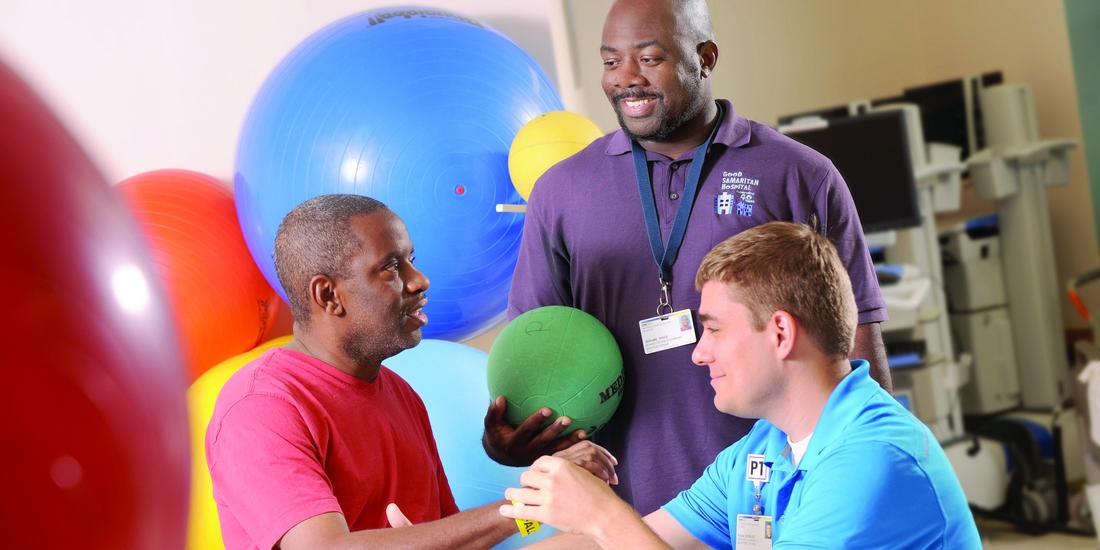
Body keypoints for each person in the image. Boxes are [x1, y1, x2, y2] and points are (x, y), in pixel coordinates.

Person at [484, 0, 890, 514]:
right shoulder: (561, 191)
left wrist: (869, 474)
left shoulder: (799, 175)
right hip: (625, 504)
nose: (627, 80)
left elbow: (856, 341)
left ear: (706, 57)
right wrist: (509, 441)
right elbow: (534, 353)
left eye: (649, 59)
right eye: (611, 62)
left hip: (781, 493)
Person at [499, 222, 981, 549]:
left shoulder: (871, 458)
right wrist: (585, 518)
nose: (698, 352)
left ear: (780, 333)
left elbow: (618, 533)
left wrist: (602, 514)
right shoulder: (765, 447)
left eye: (714, 328)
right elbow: (648, 537)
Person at [206, 194, 616, 550]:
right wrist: (535, 500)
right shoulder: (261, 407)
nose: (419, 281)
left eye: (411, 261)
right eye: (390, 268)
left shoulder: (400, 394)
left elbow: (450, 538)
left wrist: (551, 504)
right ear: (328, 295)